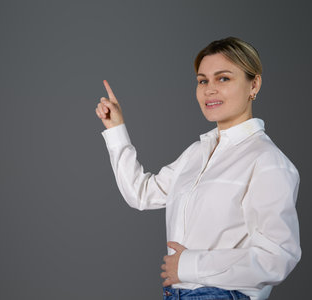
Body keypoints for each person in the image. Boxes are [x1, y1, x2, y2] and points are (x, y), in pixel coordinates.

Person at [95, 37, 301, 300]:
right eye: (203, 80)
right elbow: (141, 194)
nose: (209, 89)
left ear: (254, 84)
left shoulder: (268, 161)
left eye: (223, 78)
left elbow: (278, 257)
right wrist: (116, 130)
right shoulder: (196, 153)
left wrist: (190, 265)